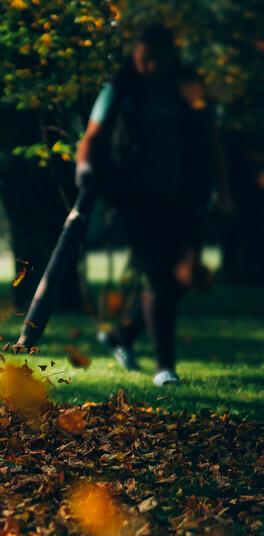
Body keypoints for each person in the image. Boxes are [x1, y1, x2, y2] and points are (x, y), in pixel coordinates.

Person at [76, 23, 233, 387]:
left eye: (156, 60)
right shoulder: (118, 89)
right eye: (143, 59)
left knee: (188, 276)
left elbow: (211, 141)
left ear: (169, 57)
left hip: (183, 197)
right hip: (134, 199)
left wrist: (223, 193)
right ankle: (165, 368)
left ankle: (122, 335)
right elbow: (91, 138)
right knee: (160, 277)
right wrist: (84, 167)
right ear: (134, 55)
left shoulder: (189, 88)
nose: (149, 67)